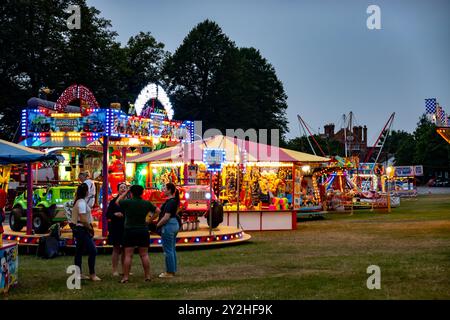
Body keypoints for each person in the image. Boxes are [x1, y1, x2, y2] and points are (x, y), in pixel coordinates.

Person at [117, 185, 159, 283]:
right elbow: (158, 211)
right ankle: (147, 276)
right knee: (144, 255)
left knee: (128, 255)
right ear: (142, 193)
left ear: (131, 193)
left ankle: (126, 277)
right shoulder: (146, 203)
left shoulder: (128, 202)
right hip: (143, 230)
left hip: (129, 230)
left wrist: (125, 192)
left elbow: (117, 202)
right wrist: (149, 220)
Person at [71, 183, 101, 281]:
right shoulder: (82, 203)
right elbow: (83, 219)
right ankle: (92, 274)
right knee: (93, 251)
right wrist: (90, 228)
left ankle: (78, 274)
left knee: (79, 252)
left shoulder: (79, 201)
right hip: (82, 229)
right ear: (86, 192)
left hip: (79, 229)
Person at [156, 182, 181, 278]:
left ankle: (169, 272)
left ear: (169, 190)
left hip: (169, 225)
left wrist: (158, 225)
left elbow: (166, 217)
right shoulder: (173, 201)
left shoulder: (170, 202)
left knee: (168, 249)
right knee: (172, 248)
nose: (163, 190)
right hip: (174, 224)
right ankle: (172, 269)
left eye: (165, 188)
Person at [106, 182, 127, 276]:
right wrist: (115, 214)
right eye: (121, 187)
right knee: (116, 249)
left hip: (126, 228)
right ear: (118, 190)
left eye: (124, 187)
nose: (123, 189)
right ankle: (114, 270)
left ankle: (125, 269)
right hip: (116, 228)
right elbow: (107, 214)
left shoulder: (129, 201)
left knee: (126, 250)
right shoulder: (113, 201)